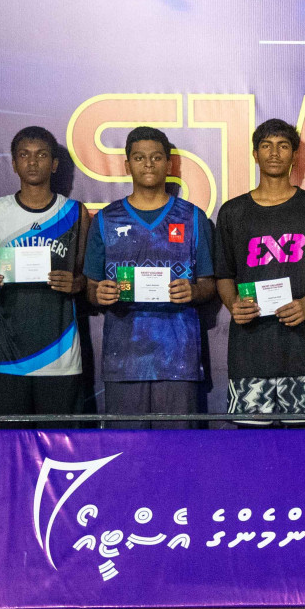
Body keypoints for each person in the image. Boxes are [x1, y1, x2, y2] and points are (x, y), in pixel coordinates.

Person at [85, 127, 216, 417]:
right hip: (124, 360)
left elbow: (210, 284)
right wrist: (99, 293)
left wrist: (193, 290)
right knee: (126, 454)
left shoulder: (193, 217)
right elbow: (90, 287)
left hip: (178, 359)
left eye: (156, 157)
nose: (148, 164)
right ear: (127, 164)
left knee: (177, 452)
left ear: (169, 165)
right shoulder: (106, 219)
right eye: (139, 157)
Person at [214, 119, 305, 418]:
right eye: (266, 146)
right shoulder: (232, 212)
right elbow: (224, 275)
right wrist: (232, 304)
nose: (274, 153)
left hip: (302, 349)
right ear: (255, 154)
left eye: (283, 146)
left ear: (295, 155)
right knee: (253, 446)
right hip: (249, 349)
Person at [0, 127, 89, 415]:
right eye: (24, 155)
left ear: (54, 164)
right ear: (14, 163)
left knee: (61, 452)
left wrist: (77, 284)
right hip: (7, 355)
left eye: (41, 155)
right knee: (7, 450)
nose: (33, 162)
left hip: (60, 355)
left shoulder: (75, 212)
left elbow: (87, 279)